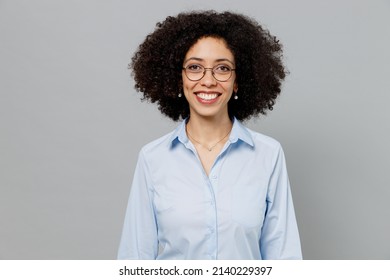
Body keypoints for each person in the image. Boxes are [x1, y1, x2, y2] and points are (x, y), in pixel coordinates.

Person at [118, 10, 302, 260]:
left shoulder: (268, 155)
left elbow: (285, 257)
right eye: (195, 67)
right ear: (179, 77)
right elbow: (134, 258)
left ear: (238, 81)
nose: (208, 81)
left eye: (222, 68)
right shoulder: (152, 158)